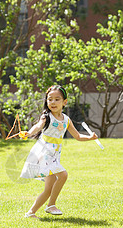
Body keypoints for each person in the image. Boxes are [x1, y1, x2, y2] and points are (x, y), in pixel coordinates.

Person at [20, 85, 98, 219]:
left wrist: (90, 138)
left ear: (65, 102)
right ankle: (51, 205)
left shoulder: (66, 120)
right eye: (50, 99)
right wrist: (29, 133)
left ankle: (30, 213)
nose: (53, 102)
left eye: (57, 99)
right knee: (63, 175)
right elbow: (38, 126)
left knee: (48, 189)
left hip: (54, 155)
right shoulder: (46, 117)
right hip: (44, 152)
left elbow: (78, 136)